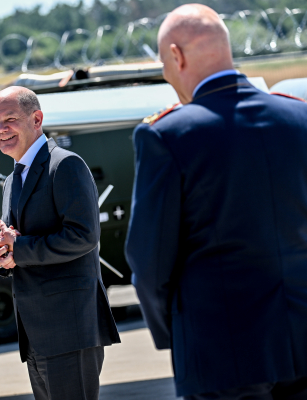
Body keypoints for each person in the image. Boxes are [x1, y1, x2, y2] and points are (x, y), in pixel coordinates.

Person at [126, 4, 307, 400]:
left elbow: (149, 260)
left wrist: (178, 333)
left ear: (177, 56)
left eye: (164, 64)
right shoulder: (299, 117)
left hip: (221, 350)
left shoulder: (165, 135)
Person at [0, 86, 120, 400]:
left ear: (37, 119)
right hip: (36, 333)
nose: (1, 129)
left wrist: (20, 249)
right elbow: (16, 240)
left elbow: (83, 236)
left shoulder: (65, 165)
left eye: (9, 119)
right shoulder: (12, 180)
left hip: (69, 329)